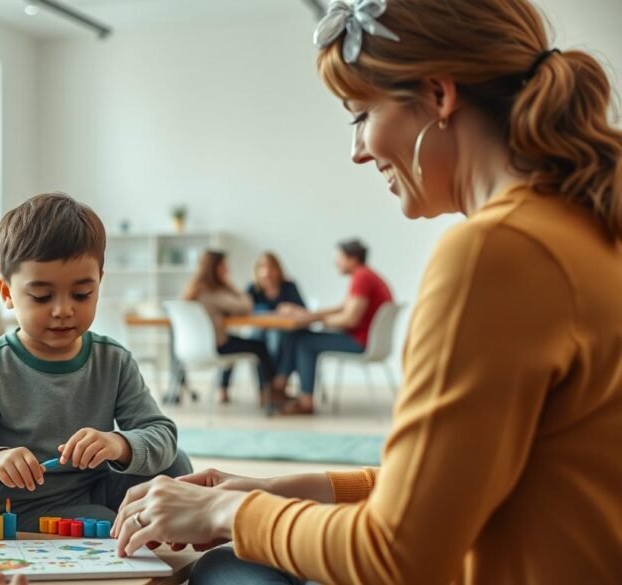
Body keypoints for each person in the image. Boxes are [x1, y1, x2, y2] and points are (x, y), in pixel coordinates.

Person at [111, 0, 622, 582]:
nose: (357, 149)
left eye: (361, 114)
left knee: (225, 571)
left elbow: (399, 554)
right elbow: (450, 486)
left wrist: (229, 511)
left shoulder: (496, 250)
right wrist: (273, 488)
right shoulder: (586, 225)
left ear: (438, 95)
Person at [0, 193, 192, 532]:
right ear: (6, 294)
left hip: (97, 490)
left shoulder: (113, 359)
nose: (63, 310)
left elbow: (161, 434)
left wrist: (118, 444)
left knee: (175, 466)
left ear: (99, 285)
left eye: (81, 294)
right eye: (42, 296)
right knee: (108, 526)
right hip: (20, 510)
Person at [277, 238, 392, 414]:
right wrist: (308, 315)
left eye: (339, 257)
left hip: (360, 342)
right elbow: (341, 308)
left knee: (304, 341)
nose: (335, 262)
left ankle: (299, 396)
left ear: (352, 259)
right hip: (364, 340)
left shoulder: (362, 277)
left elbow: (350, 319)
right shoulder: (365, 275)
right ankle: (283, 384)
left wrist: (313, 320)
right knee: (301, 337)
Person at [182, 250, 285, 404]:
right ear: (215, 268)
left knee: (235, 341)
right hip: (216, 347)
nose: (227, 270)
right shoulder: (214, 292)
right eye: (224, 266)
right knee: (259, 346)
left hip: (188, 350)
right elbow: (246, 306)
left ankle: (220, 389)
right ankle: (267, 394)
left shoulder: (192, 291)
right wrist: (231, 285)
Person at [241, 252, 305, 398]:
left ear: (278, 269)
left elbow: (304, 313)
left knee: (282, 337)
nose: (267, 272)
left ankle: (278, 382)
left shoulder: (289, 287)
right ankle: (267, 386)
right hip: (260, 333)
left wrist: (292, 309)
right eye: (262, 267)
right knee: (259, 339)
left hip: (285, 335)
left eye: (271, 267)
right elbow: (242, 310)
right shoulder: (253, 289)